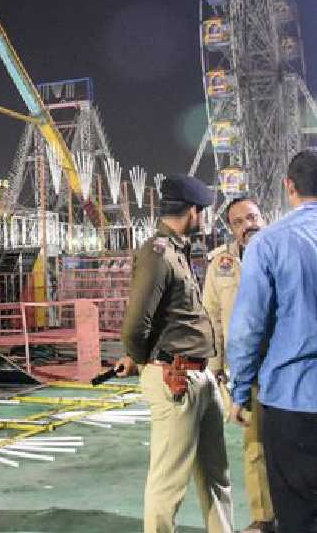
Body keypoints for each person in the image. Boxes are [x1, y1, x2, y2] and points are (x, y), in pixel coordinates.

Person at [117, 173, 233, 533]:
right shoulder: (157, 254)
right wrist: (142, 360)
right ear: (193, 211)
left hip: (200, 377)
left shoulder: (177, 251)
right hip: (175, 378)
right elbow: (135, 325)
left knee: (217, 477)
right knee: (168, 485)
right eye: (204, 212)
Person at [228, 149, 317, 533]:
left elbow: (247, 328)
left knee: (298, 515)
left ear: (289, 187)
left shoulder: (270, 243)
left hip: (292, 401)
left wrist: (239, 389)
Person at [203, 197, 274, 533]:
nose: (248, 225)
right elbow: (213, 318)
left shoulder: (282, 249)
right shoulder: (221, 265)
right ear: (230, 228)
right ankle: (264, 517)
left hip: (287, 364)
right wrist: (216, 365)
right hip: (247, 370)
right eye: (238, 221)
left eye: (252, 216)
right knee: (255, 445)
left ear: (264, 217)